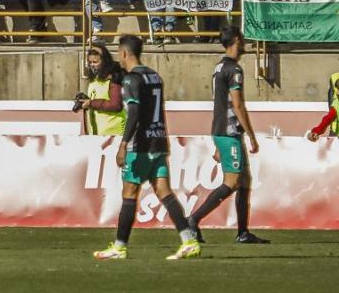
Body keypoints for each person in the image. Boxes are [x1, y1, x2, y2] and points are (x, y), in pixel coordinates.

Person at [93, 35, 200, 261]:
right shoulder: (154, 75)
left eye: (119, 53)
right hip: (159, 141)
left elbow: (134, 113)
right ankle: (188, 240)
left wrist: (123, 144)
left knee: (129, 193)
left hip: (139, 145)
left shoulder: (131, 80)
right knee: (164, 191)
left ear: (124, 53)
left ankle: (120, 247)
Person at [187, 24, 269, 245]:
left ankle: (243, 232)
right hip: (229, 131)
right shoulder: (234, 69)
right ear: (236, 40)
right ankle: (193, 220)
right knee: (232, 182)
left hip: (225, 131)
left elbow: (221, 103)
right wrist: (251, 135)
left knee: (244, 181)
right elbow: (237, 105)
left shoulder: (219, 67)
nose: (244, 43)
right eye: (241, 38)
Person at [76, 44, 126, 136]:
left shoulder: (114, 78)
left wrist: (91, 103)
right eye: (90, 62)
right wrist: (85, 100)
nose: (92, 65)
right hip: (97, 134)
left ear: (105, 62)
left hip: (114, 134)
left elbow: (116, 105)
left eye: (95, 62)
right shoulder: (94, 79)